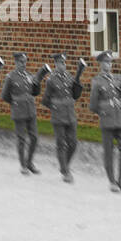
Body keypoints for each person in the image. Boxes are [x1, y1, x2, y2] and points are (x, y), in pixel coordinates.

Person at [88, 51, 121, 191]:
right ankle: (112, 181)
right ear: (101, 64)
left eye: (110, 62)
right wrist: (104, 111)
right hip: (107, 119)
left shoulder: (119, 79)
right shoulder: (96, 81)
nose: (108, 65)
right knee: (108, 151)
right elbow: (93, 106)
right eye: (105, 62)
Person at [1, 52, 47, 174]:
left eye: (25, 61)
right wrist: (16, 102)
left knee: (34, 138)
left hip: (30, 110)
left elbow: (35, 92)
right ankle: (23, 166)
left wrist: (38, 82)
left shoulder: (29, 75)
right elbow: (5, 96)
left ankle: (29, 162)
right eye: (21, 61)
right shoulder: (11, 77)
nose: (23, 64)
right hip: (19, 111)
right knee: (21, 139)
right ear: (16, 62)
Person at [42, 53, 85, 183]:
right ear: (56, 64)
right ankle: (65, 171)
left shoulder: (69, 77)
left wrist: (78, 82)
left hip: (70, 114)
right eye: (60, 63)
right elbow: (45, 100)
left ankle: (64, 164)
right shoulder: (51, 80)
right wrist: (56, 107)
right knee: (61, 144)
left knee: (73, 143)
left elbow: (75, 95)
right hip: (58, 116)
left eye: (64, 63)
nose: (62, 65)